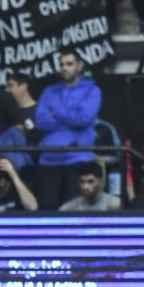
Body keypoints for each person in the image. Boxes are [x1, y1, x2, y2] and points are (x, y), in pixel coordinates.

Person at [34, 47, 102, 209]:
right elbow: (40, 121)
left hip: (78, 159)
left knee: (74, 213)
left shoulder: (92, 91)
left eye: (69, 64)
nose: (64, 68)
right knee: (47, 213)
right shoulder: (49, 91)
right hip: (48, 160)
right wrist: (71, 117)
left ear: (79, 66)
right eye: (61, 64)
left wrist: (56, 112)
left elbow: (84, 119)